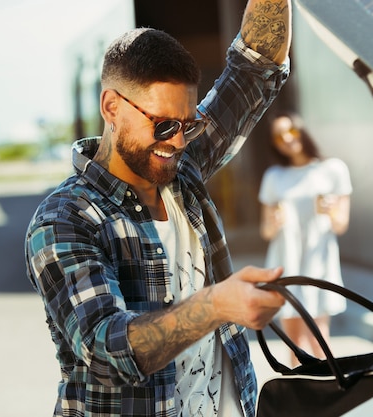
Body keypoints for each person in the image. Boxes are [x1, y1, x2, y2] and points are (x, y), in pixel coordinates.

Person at [25, 1, 291, 416]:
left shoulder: (179, 168)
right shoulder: (65, 219)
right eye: (163, 125)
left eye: (189, 125)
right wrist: (217, 305)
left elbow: (255, 68)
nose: (179, 141)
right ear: (112, 107)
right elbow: (105, 349)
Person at [258, 112, 352, 365]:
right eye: (279, 136)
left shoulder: (332, 169)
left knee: (319, 337)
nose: (287, 139)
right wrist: (274, 222)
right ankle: (304, 398)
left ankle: (332, 393)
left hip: (317, 261)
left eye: (291, 131)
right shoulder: (274, 176)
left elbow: (341, 224)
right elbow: (265, 232)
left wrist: (330, 208)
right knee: (295, 345)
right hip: (285, 259)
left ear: (303, 131)